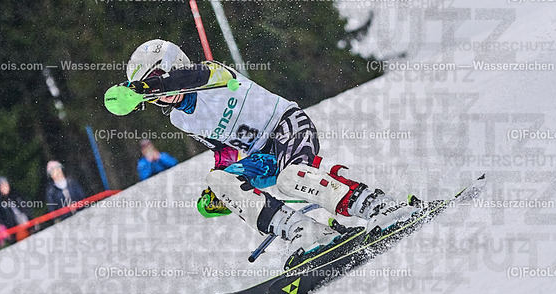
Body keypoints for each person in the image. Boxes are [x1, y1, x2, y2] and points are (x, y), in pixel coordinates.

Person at [114, 39, 420, 256]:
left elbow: (191, 77)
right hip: (261, 155)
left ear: (174, 65)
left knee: (292, 177)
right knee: (217, 180)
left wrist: (145, 86)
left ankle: (377, 205)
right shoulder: (180, 118)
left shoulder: (211, 74)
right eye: (150, 94)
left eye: (156, 82)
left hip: (287, 126)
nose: (158, 95)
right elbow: (223, 148)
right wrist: (221, 188)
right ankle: (306, 231)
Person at [0, 176, 33, 241]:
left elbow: (25, 210)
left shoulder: (15, 197)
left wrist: (30, 222)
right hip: (13, 233)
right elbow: (0, 221)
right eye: (2, 186)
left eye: (6, 185)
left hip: (26, 227)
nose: (5, 188)